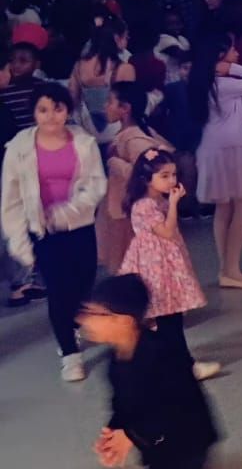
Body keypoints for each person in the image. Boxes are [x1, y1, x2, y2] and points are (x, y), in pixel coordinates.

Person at [80, 274, 219, 469]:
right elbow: (124, 402)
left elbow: (175, 411)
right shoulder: (116, 357)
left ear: (123, 321)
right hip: (159, 446)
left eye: (95, 313)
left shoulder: (163, 355)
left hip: (186, 445)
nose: (84, 319)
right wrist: (116, 429)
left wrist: (131, 436)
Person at [2, 83, 107, 381]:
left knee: (84, 281)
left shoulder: (83, 142)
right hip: (44, 231)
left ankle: (72, 325)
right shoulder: (19, 148)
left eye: (57, 109)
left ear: (67, 111)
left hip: (79, 226)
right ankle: (69, 353)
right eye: (43, 110)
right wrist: (20, 242)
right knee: (59, 290)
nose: (50, 116)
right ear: (34, 113)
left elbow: (96, 185)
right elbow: (11, 199)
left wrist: (67, 211)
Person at [120, 149, 218, 380]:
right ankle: (183, 366)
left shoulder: (158, 200)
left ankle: (174, 364)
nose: (172, 180)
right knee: (168, 318)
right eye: (164, 176)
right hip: (156, 267)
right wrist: (174, 204)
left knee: (171, 317)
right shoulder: (145, 205)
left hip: (165, 263)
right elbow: (166, 231)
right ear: (146, 178)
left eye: (174, 175)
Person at [189, 38, 242, 289]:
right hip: (233, 149)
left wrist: (234, 68)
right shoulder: (224, 84)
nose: (237, 53)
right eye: (232, 50)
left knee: (223, 208)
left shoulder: (203, 83)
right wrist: (234, 68)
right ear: (220, 57)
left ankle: (226, 268)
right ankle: (232, 269)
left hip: (213, 148)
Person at [98, 83, 173, 273]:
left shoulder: (135, 139)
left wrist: (115, 162)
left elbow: (147, 173)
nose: (105, 106)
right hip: (122, 206)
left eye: (110, 102)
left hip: (129, 212)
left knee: (131, 263)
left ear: (125, 108)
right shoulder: (132, 134)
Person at [72, 17, 138, 134]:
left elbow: (73, 98)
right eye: (126, 37)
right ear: (117, 38)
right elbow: (129, 107)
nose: (127, 41)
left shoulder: (79, 65)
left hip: (87, 128)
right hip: (116, 130)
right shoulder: (125, 69)